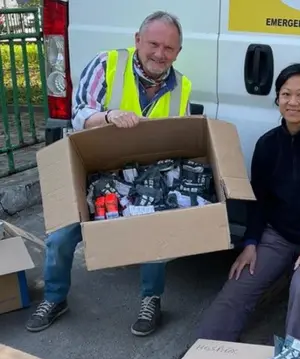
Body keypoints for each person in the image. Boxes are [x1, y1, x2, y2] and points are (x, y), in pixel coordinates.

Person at [26, 11, 192, 337]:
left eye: (169, 48)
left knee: (156, 227)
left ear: (178, 52)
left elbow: (179, 138)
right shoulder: (108, 64)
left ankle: (151, 299)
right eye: (154, 44)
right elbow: (79, 115)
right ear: (137, 41)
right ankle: (55, 297)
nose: (160, 54)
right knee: (61, 236)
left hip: (145, 177)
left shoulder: (182, 86)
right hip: (93, 171)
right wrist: (109, 116)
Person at [197, 63, 300, 344]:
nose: (293, 102)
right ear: (277, 98)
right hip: (278, 235)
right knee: (238, 283)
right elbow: (259, 200)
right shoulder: (267, 144)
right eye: (286, 94)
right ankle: (202, 357)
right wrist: (251, 242)